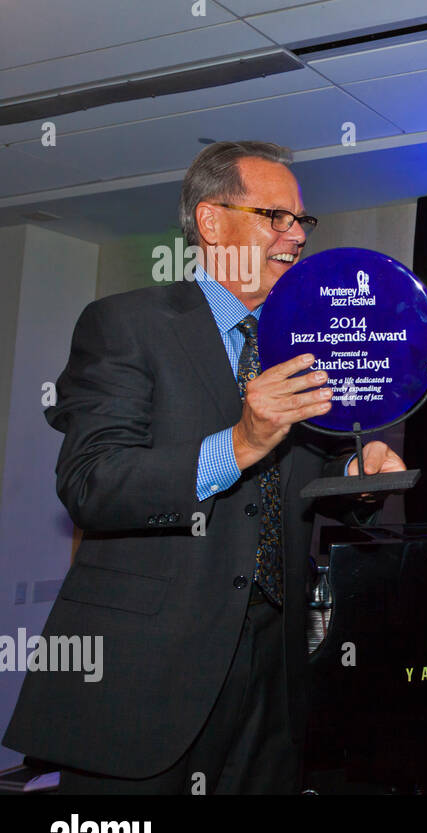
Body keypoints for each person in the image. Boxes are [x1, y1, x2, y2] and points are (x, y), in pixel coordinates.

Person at [3, 141, 405, 793]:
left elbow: (313, 473)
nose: (297, 235)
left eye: (303, 221)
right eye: (276, 216)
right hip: (142, 685)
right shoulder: (125, 325)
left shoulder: (305, 342)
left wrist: (361, 472)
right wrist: (240, 443)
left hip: (273, 681)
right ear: (212, 221)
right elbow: (92, 485)